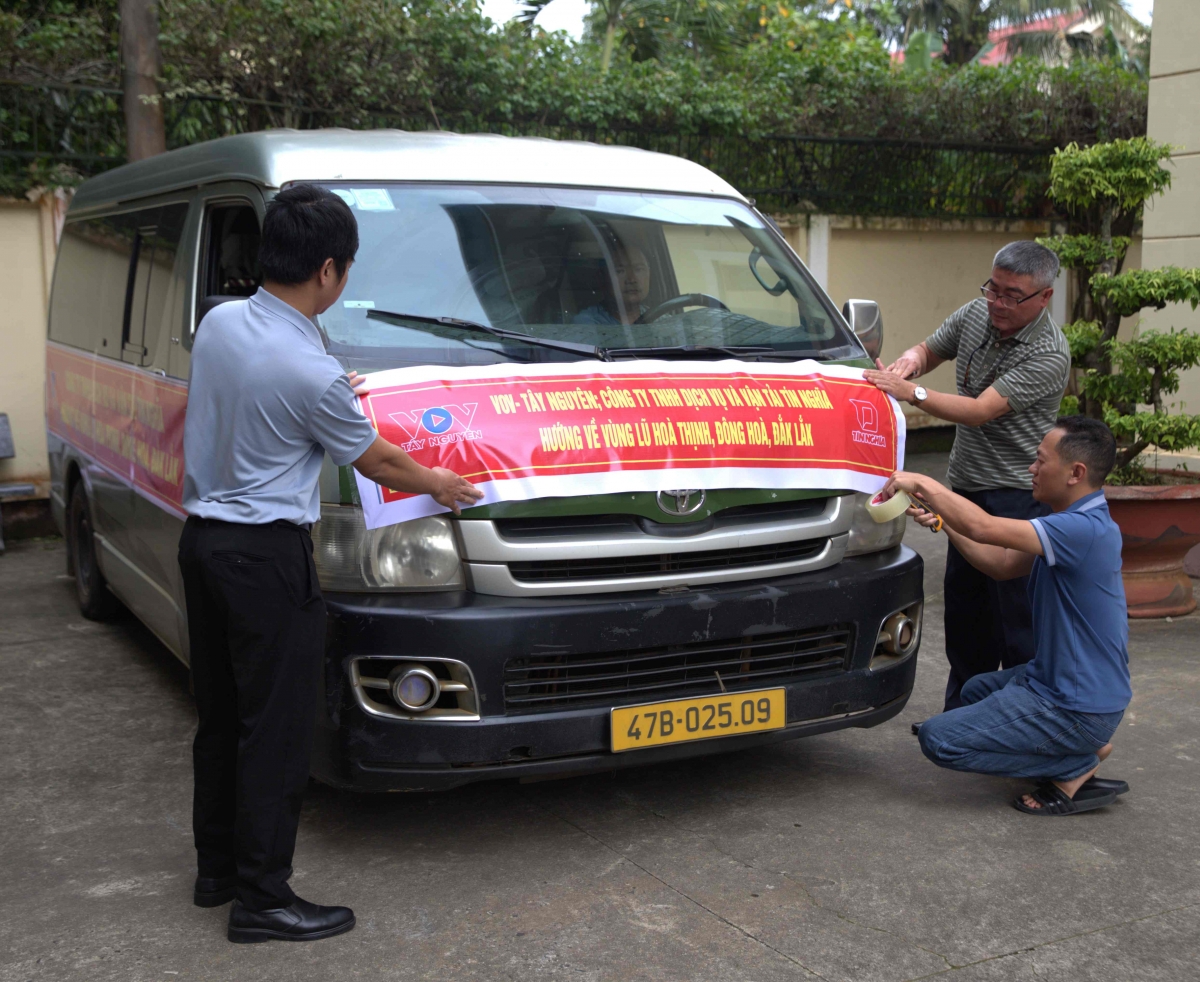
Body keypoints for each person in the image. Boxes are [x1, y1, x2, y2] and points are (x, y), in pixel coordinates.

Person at [179, 184, 482, 943]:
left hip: (205, 546)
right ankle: (264, 899)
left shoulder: (220, 324)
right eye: (345, 268)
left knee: (221, 718)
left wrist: (326, 396)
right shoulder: (310, 375)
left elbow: (273, 391)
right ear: (327, 271)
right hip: (265, 560)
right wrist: (441, 482)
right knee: (275, 729)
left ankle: (217, 870)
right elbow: (379, 459)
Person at [883, 416, 1131, 816]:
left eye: (1040, 460)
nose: (1031, 469)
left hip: (1077, 702)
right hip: (1062, 685)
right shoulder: (1071, 526)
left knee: (939, 739)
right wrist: (944, 522)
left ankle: (1075, 762)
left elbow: (983, 526)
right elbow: (999, 564)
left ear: (1076, 473)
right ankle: (1081, 743)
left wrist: (922, 483)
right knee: (975, 690)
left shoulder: (1081, 529)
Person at [864, 241, 1071, 711]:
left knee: (1018, 622)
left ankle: (1025, 724)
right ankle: (962, 718)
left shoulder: (1049, 352)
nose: (996, 303)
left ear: (1044, 297)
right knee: (966, 612)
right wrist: (909, 364)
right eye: (992, 288)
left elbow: (980, 411)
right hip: (967, 487)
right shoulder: (978, 313)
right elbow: (931, 348)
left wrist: (910, 391)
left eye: (1011, 295)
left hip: (1018, 495)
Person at [574, 241, 652, 325]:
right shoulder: (586, 324)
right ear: (604, 277)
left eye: (639, 269)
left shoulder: (660, 318)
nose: (632, 279)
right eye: (620, 271)